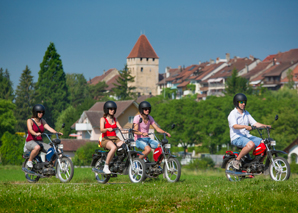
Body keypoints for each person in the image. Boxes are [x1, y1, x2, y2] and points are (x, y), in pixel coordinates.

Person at [228, 93, 271, 170]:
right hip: (237, 137)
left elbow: (255, 123)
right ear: (236, 103)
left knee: (265, 143)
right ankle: (237, 161)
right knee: (251, 144)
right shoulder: (233, 114)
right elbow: (234, 125)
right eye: (241, 102)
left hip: (247, 136)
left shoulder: (246, 113)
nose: (243, 104)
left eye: (244, 102)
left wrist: (266, 126)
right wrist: (245, 126)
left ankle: (258, 164)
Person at [25, 104, 63, 168]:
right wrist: (35, 133)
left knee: (53, 150)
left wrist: (57, 132)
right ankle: (30, 161)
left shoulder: (42, 121)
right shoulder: (30, 121)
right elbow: (30, 130)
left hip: (40, 142)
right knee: (37, 147)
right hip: (30, 142)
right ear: (35, 112)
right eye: (39, 112)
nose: (41, 114)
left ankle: (49, 166)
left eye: (42, 112)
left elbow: (49, 128)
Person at [100, 101, 126, 174]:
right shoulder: (103, 119)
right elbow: (101, 130)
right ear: (106, 109)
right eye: (111, 109)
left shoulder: (115, 119)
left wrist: (129, 131)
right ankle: (106, 166)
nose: (112, 110)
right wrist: (107, 129)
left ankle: (118, 162)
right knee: (113, 148)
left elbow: (121, 129)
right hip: (106, 139)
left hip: (115, 138)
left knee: (126, 145)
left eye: (114, 109)